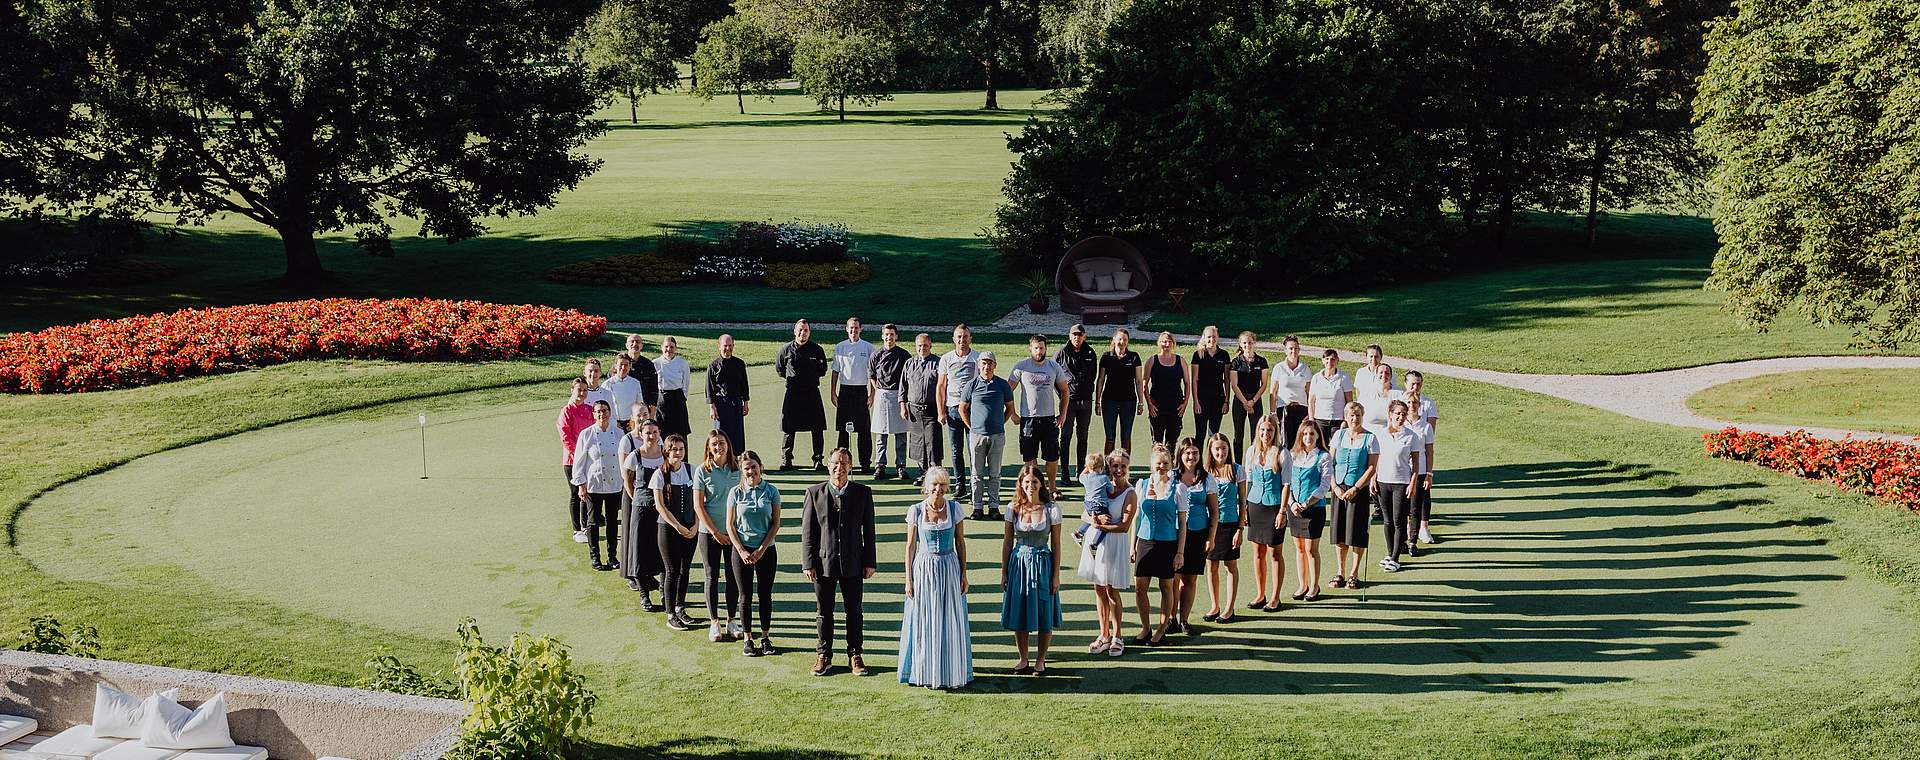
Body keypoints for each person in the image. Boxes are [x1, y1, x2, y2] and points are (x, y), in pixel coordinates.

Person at [801, 448, 877, 677]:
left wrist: (869, 561)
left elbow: (869, 531)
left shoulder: (863, 493)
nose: (839, 467)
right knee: (824, 611)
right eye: (835, 463)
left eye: (844, 463)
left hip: (853, 563)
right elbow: (808, 532)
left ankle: (855, 654)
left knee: (854, 611)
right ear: (828, 465)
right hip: (824, 564)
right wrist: (808, 563)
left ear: (850, 467)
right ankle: (824, 655)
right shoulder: (814, 493)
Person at [899, 468, 972, 689]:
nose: (938, 489)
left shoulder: (954, 508)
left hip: (949, 566)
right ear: (926, 487)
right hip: (924, 568)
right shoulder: (916, 511)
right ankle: (925, 670)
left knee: (949, 617)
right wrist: (908, 579)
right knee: (925, 617)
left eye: (942, 485)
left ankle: (951, 670)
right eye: (934, 485)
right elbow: (911, 546)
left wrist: (963, 573)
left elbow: (960, 542)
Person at [1000, 465, 1063, 675]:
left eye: (1034, 482)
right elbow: (1007, 542)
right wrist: (1004, 571)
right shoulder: (1013, 508)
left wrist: (1055, 575)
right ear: (1020, 484)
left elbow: (1057, 544)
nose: (1030, 486)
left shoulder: (1051, 509)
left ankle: (1041, 659)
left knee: (1044, 611)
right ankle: (1023, 658)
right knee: (1020, 610)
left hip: (1043, 564)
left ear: (1041, 484)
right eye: (1026, 482)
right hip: (1019, 563)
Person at [1077, 450, 1136, 656]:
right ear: (1107, 467)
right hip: (1096, 543)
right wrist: (1095, 519)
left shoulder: (1130, 493)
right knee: (1099, 589)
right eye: (1115, 466)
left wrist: (1100, 526)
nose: (1119, 470)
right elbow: (1085, 511)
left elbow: (1124, 526)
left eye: (1123, 467)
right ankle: (1104, 634)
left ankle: (1118, 636)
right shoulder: (1099, 484)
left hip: (1114, 544)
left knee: (1112, 591)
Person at [726, 451, 782, 657]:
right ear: (742, 471)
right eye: (746, 468)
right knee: (745, 596)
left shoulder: (771, 491)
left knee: (765, 595)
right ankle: (748, 638)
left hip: (766, 550)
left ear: (760, 467)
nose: (751, 471)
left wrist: (761, 549)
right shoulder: (735, 492)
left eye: (753, 467)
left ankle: (765, 637)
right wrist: (741, 550)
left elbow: (775, 523)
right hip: (741, 551)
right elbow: (730, 525)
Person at [1130, 445, 1187, 647]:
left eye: (1165, 464)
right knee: (1140, 588)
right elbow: (1137, 517)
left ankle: (1162, 629)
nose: (1161, 467)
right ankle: (1145, 628)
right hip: (1145, 541)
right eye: (1158, 463)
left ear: (1171, 465)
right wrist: (1133, 546)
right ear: (1152, 465)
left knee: (1166, 586)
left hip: (1167, 543)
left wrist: (1180, 552)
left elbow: (1182, 523)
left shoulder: (1178, 488)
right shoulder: (1142, 485)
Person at [692, 433, 743, 642]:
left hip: (734, 533)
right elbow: (698, 506)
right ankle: (714, 622)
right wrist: (715, 532)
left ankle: (731, 620)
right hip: (709, 534)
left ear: (728, 446)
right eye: (714, 444)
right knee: (712, 576)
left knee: (733, 577)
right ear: (708, 448)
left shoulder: (737, 469)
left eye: (722, 443)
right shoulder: (702, 471)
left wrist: (731, 532)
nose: (718, 447)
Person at [570, 400, 626, 572]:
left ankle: (612, 556)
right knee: (593, 522)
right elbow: (579, 461)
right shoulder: (586, 434)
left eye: (605, 410)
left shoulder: (619, 433)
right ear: (593, 415)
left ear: (610, 412)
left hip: (614, 483)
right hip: (593, 484)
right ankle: (595, 557)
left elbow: (624, 458)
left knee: (612, 521)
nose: (602, 414)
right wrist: (580, 484)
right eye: (598, 411)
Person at [960, 351, 1017, 520]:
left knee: (995, 473)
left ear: (994, 365)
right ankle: (977, 506)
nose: (986, 366)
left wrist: (1000, 423)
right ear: (979, 365)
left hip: (997, 435)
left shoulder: (1002, 385)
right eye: (983, 363)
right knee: (977, 474)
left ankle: (993, 506)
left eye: (990, 363)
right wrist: (972, 426)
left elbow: (1010, 409)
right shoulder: (971, 385)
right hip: (976, 435)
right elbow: (963, 409)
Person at [651, 435, 701, 630]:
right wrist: (678, 527)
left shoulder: (692, 470)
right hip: (668, 529)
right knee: (671, 571)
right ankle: (670, 613)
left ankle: (681, 607)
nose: (678, 453)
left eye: (681, 449)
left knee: (685, 570)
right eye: (674, 449)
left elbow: (698, 502)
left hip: (690, 527)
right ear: (667, 451)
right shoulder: (659, 475)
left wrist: (696, 526)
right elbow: (660, 506)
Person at [1170, 437, 1219, 634]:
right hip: (1173, 533)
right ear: (1180, 455)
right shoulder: (1171, 477)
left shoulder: (1207, 479)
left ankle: (1184, 619)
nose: (1191, 457)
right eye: (1187, 453)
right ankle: (1170, 617)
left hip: (1198, 533)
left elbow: (1215, 511)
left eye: (1195, 453)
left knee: (1190, 579)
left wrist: (1211, 537)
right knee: (1173, 578)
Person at [1329, 401, 1379, 590]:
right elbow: (1330, 463)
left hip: (1357, 491)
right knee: (1340, 532)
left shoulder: (1370, 438)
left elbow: (1371, 467)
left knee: (1356, 533)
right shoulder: (1338, 435)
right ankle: (1340, 572)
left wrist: (1356, 489)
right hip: (1339, 490)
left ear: (1362, 416)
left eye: (1357, 415)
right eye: (1351, 415)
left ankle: (1354, 573)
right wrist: (1334, 486)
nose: (1354, 418)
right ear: (1346, 417)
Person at [1281, 422, 1332, 601]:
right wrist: (1292, 503)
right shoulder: (1292, 455)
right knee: (1299, 548)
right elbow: (1286, 483)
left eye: (1312, 434)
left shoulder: (1324, 457)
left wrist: (1307, 503)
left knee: (1311, 549)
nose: (1308, 438)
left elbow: (1324, 485)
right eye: (1305, 434)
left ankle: (1314, 586)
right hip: (1294, 509)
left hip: (1314, 509)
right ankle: (1302, 585)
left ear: (1318, 436)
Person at [1373, 400, 1426, 573]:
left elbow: (1416, 463)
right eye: (1397, 414)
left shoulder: (1412, 436)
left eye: (1404, 414)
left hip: (1401, 482)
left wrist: (1412, 483)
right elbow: (1376, 459)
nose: (1401, 417)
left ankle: (1395, 558)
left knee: (1398, 520)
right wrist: (1373, 478)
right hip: (1383, 481)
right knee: (1387, 520)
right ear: (1390, 414)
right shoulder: (1379, 434)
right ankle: (1390, 554)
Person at [618, 416, 665, 610]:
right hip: (641, 509)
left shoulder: (665, 454)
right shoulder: (634, 456)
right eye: (647, 433)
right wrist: (639, 499)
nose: (651, 436)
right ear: (641, 434)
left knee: (662, 551)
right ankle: (644, 596)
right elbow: (628, 482)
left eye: (654, 432)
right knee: (638, 551)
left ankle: (664, 591)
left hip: (662, 511)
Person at [1242, 414, 1288, 613]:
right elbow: (1248, 481)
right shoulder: (1251, 451)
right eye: (1262, 430)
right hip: (1255, 505)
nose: (1265, 434)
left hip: (1274, 506)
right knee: (1258, 552)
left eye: (1269, 430)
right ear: (1257, 431)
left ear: (1275, 432)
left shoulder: (1282, 453)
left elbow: (1287, 484)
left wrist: (1282, 511)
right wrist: (1243, 507)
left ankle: (1275, 596)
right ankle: (1260, 594)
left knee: (1274, 552)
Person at [1009, 335, 1069, 485]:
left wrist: (1062, 415)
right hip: (1028, 419)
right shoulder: (1021, 367)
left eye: (1041, 348)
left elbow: (1065, 391)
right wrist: (1013, 413)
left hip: (1049, 419)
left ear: (1045, 348)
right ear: (1030, 349)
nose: (1039, 351)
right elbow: (1007, 391)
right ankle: (1035, 489)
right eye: (1036, 348)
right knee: (1029, 457)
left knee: (1052, 457)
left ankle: (1052, 488)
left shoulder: (1054, 367)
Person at [1202, 434, 1247, 623]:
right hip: (1210, 525)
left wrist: (1240, 528)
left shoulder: (1237, 470)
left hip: (1230, 523)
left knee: (1230, 565)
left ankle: (1229, 608)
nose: (1221, 452)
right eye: (1217, 449)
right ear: (1211, 452)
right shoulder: (1204, 472)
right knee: (1211, 566)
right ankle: (1215, 605)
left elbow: (1243, 501)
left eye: (1224, 449)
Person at [936, 325, 983, 499]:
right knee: (956, 450)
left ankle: (975, 486)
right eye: (959, 337)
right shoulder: (946, 359)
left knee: (974, 450)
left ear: (970, 338)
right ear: (954, 339)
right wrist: (941, 411)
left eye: (965, 337)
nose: (962, 340)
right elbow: (941, 386)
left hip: (973, 410)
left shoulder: (978, 357)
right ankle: (960, 485)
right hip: (953, 409)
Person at [775, 319, 830, 471]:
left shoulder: (817, 350)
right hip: (793, 393)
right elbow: (780, 369)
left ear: (809, 332)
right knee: (788, 427)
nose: (802, 333)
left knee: (817, 427)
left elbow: (822, 369)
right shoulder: (785, 350)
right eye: (800, 330)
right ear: (794, 331)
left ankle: (818, 459)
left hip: (812, 392)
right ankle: (787, 459)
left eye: (805, 330)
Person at [1053, 324, 1099, 486]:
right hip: (1068, 402)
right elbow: (1053, 377)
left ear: (1084, 336)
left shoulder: (1090, 353)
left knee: (1083, 437)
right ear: (1069, 335)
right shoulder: (1061, 353)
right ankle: (1064, 472)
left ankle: (1081, 472)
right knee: (1065, 437)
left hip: (1085, 401)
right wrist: (1062, 396)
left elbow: (1093, 375)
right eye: (1074, 334)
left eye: (1080, 335)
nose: (1077, 338)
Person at [830, 317, 876, 472]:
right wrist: (833, 392)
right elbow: (835, 371)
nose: (853, 330)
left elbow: (872, 374)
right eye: (851, 328)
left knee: (864, 430)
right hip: (845, 391)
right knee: (843, 431)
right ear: (846, 328)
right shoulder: (840, 347)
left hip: (861, 392)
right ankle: (842, 464)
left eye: (856, 328)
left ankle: (865, 463)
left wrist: (872, 394)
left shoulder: (869, 348)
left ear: (860, 329)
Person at [1402, 370, 1440, 547]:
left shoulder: (1428, 403)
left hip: (1422, 458)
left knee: (1423, 496)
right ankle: (1409, 528)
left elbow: (1430, 430)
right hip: (1403, 461)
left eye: (1418, 383)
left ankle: (1424, 527)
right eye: (1412, 383)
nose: (1415, 386)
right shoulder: (1400, 403)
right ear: (1406, 384)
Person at [869, 324, 912, 479]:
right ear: (882, 336)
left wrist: (903, 397)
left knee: (901, 435)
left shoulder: (904, 355)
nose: (889, 337)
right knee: (881, 435)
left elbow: (908, 378)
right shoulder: (876, 355)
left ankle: (901, 466)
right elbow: (872, 375)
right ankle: (880, 466)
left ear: (896, 336)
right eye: (886, 335)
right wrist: (879, 390)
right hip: (882, 395)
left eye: (892, 334)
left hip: (899, 397)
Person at [901, 333, 944, 485]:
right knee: (918, 444)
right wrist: (902, 406)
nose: (922, 348)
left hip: (932, 410)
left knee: (932, 442)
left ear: (930, 346)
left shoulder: (938, 363)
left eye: (925, 345)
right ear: (915, 346)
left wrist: (941, 411)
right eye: (919, 346)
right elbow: (903, 387)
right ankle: (923, 474)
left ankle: (935, 475)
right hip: (914, 410)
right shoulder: (909, 363)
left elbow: (943, 387)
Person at [1094, 329, 1145, 456]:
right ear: (1114, 340)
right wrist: (1098, 402)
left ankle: (1124, 467)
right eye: (1119, 339)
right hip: (1109, 401)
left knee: (1126, 436)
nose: (1122, 342)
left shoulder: (1134, 357)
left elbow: (1139, 381)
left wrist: (1141, 402)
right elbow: (1100, 380)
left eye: (1125, 340)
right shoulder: (1106, 357)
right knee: (1110, 437)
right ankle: (1108, 468)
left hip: (1128, 402)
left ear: (1128, 342)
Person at [557, 378, 595, 544]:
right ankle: (577, 529)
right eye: (579, 390)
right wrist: (580, 454)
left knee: (586, 493)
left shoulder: (589, 409)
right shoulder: (566, 411)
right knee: (575, 493)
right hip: (572, 460)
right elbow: (565, 437)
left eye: (585, 390)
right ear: (572, 390)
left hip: (588, 459)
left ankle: (586, 526)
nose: (582, 393)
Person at [1188, 326, 1231, 464]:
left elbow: (1227, 380)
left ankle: (1211, 464)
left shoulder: (1224, 355)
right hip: (1201, 400)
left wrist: (1226, 401)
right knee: (1200, 434)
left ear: (1217, 337)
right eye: (1209, 337)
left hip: (1218, 400)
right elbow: (1194, 380)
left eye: (1214, 336)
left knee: (1214, 435)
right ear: (1204, 338)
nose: (1211, 339)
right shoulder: (1198, 355)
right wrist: (1196, 401)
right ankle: (1197, 464)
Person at [705, 334, 751, 454]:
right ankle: (721, 458)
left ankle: (737, 459)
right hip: (721, 405)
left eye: (730, 346)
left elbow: (744, 386)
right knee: (720, 434)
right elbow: (709, 389)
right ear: (719, 346)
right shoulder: (713, 366)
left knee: (737, 434)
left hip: (736, 403)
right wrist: (712, 407)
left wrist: (745, 404)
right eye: (725, 346)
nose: (728, 348)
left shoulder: (739, 364)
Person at [1145, 332, 1188, 452]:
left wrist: (1185, 404)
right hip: (1157, 408)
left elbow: (1187, 383)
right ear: (1159, 343)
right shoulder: (1152, 360)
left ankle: (1171, 468)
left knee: (1172, 442)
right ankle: (1156, 467)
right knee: (1157, 442)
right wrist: (1149, 404)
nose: (1167, 344)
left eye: (1169, 341)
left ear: (1173, 344)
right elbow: (1144, 384)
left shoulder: (1181, 361)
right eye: (1164, 341)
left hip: (1176, 408)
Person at [1228, 332, 1269, 455]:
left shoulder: (1261, 361)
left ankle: (1254, 462)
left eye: (1250, 342)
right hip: (1240, 401)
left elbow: (1264, 384)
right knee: (1238, 435)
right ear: (1240, 344)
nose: (1248, 345)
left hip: (1255, 400)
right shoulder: (1236, 362)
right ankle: (1239, 466)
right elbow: (1234, 385)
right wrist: (1245, 402)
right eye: (1244, 343)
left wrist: (1253, 401)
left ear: (1254, 343)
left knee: (1256, 434)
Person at [1269, 336, 1312, 446]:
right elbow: (1273, 393)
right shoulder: (1279, 368)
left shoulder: (1305, 368)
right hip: (1284, 409)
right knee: (1285, 442)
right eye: (1291, 348)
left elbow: (1309, 392)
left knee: (1301, 442)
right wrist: (1273, 413)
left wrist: (1310, 413)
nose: (1293, 351)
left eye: (1296, 348)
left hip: (1302, 410)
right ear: (1285, 350)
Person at [1305, 349, 1353, 443]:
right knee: (1320, 447)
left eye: (1333, 359)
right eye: (1327, 359)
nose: (1329, 362)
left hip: (1338, 421)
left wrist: (1346, 420)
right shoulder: (1316, 378)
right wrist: (1312, 421)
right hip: (1320, 420)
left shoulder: (1344, 377)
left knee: (1337, 448)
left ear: (1337, 361)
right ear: (1323, 361)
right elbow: (1311, 401)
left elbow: (1349, 402)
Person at [1071, 452, 1110, 550]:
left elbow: (1080, 476)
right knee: (1106, 524)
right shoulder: (1104, 478)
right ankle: (1095, 545)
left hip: (1088, 504)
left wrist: (1087, 468)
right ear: (1101, 467)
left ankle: (1079, 533)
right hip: (1099, 505)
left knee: (1091, 519)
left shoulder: (1085, 478)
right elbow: (1112, 491)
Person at [654, 337, 692, 439]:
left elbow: (686, 384)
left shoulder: (682, 363)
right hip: (661, 400)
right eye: (666, 347)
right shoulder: (655, 363)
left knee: (680, 433)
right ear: (661, 348)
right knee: (662, 433)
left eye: (672, 347)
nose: (669, 349)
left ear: (676, 348)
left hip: (678, 400)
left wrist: (682, 398)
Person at [621, 334, 662, 422]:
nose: (635, 344)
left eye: (638, 342)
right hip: (623, 411)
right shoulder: (619, 364)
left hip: (643, 411)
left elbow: (654, 389)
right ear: (626, 345)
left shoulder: (648, 365)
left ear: (642, 346)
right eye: (632, 341)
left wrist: (652, 412)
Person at [603, 355, 644, 432]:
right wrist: (613, 422)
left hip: (630, 425)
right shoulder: (607, 384)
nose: (623, 367)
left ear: (630, 366)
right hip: (612, 424)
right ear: (615, 366)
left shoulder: (635, 383)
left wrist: (633, 422)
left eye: (626, 365)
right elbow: (603, 406)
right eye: (621, 364)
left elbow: (639, 405)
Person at [1359, 364, 1404, 433]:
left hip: (1390, 434)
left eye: (1387, 373)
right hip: (1369, 433)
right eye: (1381, 372)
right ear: (1375, 375)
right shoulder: (1366, 394)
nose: (1384, 375)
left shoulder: (1399, 394)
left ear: (1391, 376)